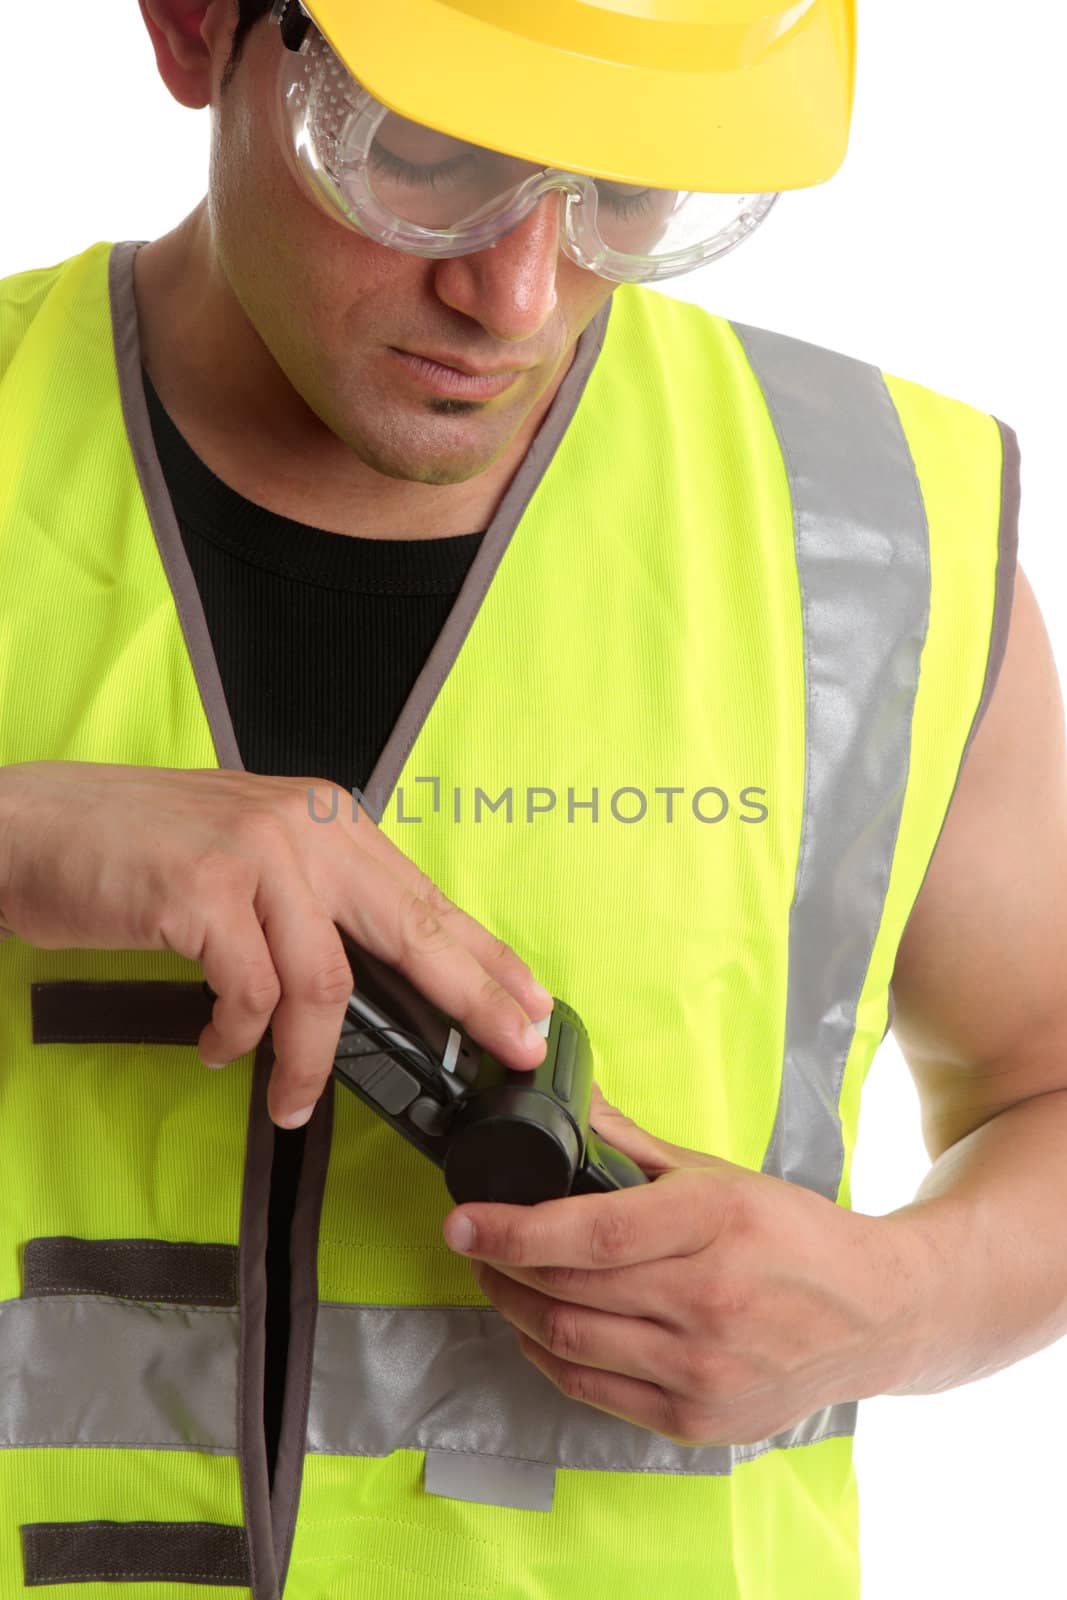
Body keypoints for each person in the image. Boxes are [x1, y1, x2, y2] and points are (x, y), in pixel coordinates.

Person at [1, 1, 1065, 1595]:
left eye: (625, 195)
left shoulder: (874, 530)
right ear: (195, 24)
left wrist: (895, 1304)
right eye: (422, 160)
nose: (515, 292)